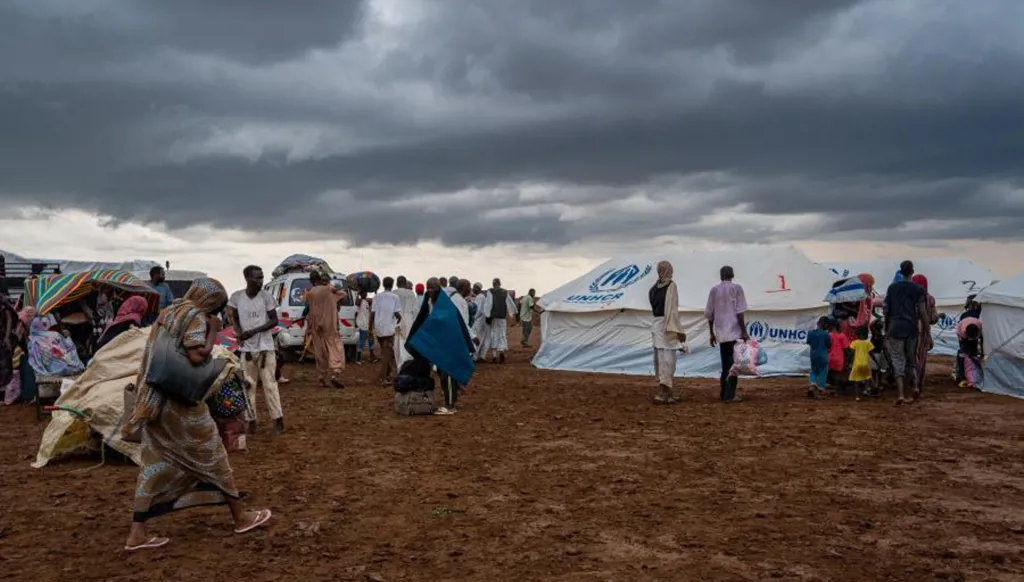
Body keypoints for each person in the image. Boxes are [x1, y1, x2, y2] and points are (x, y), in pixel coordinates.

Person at [122, 278, 271, 552]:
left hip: (155, 401)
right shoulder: (195, 316)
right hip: (180, 405)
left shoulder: (171, 310)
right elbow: (197, 356)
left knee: (153, 466)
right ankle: (241, 517)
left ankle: (137, 533)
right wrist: (213, 331)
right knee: (213, 455)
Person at [227, 266, 284, 435]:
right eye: (257, 278)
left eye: (261, 277)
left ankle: (278, 420)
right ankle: (251, 421)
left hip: (265, 347)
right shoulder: (237, 297)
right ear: (247, 278)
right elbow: (233, 316)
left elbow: (274, 320)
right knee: (248, 386)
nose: (260, 281)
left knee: (270, 385)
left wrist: (254, 331)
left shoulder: (266, 296)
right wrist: (238, 331)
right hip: (247, 350)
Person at [883, 260, 929, 405]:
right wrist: (926, 331)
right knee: (911, 360)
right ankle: (915, 387)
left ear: (901, 271)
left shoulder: (892, 288)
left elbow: (886, 310)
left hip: (895, 326)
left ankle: (901, 394)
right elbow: (922, 312)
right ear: (912, 271)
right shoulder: (918, 289)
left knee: (898, 359)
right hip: (911, 327)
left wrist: (887, 329)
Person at [705, 266, 748, 403]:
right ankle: (730, 395)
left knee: (725, 365)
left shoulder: (714, 290)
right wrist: (744, 331)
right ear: (733, 275)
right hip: (735, 333)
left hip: (721, 334)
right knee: (734, 365)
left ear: (721, 275)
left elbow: (709, 314)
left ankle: (724, 393)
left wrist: (712, 333)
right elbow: (740, 314)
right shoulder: (737, 288)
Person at [436, 279, 478, 416]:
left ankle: (451, 400)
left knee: (448, 372)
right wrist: (472, 336)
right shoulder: (457, 300)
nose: (470, 290)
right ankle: (450, 403)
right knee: (447, 372)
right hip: (452, 339)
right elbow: (461, 322)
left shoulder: (457, 299)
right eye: (469, 287)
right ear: (463, 288)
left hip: (453, 339)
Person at [649, 261, 686, 404]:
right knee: (668, 360)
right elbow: (672, 311)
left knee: (661, 359)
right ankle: (666, 394)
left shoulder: (652, 289)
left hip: (656, 326)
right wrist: (678, 330)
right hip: (667, 325)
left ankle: (667, 392)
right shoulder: (671, 286)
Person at [305, 271, 348, 389]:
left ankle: (321, 378)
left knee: (320, 353)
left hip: (316, 327)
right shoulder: (329, 290)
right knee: (335, 349)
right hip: (329, 326)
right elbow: (343, 294)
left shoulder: (310, 293)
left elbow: (308, 310)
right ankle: (335, 373)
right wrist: (331, 287)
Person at [911, 274, 940, 393]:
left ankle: (911, 383)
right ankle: (919, 384)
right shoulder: (930, 299)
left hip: (909, 330)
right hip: (924, 331)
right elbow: (933, 319)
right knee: (922, 357)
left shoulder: (909, 297)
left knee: (910, 356)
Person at [370, 277, 402, 386]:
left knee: (387, 353)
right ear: (392, 285)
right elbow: (397, 314)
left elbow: (373, 313)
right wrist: (400, 322)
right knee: (386, 354)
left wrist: (370, 328)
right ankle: (382, 378)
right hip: (389, 329)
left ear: (383, 285)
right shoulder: (395, 297)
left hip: (379, 329)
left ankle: (390, 375)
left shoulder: (377, 297)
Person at [483, 278, 518, 364]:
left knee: (493, 335)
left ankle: (494, 357)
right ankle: (501, 353)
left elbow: (489, 304)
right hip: (502, 318)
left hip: (494, 317)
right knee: (501, 335)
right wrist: (513, 314)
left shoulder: (490, 292)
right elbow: (510, 304)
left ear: (493, 284)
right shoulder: (505, 292)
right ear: (500, 283)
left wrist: (487, 316)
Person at [394, 276, 419, 369]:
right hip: (409, 323)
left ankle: (399, 367)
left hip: (397, 323)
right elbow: (415, 311)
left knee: (397, 346)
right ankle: (407, 368)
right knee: (407, 345)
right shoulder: (411, 294)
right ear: (405, 283)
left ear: (397, 283)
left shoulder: (394, 293)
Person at [806, 317, 831, 399]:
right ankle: (820, 388)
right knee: (823, 371)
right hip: (823, 355)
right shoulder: (826, 334)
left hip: (813, 355)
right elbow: (829, 345)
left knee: (813, 371)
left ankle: (812, 384)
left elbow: (808, 342)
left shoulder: (810, 333)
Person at [956, 317, 984, 390]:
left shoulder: (980, 326)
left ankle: (975, 373)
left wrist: (981, 352)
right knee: (963, 356)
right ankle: (961, 376)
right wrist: (967, 353)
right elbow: (963, 344)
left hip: (973, 326)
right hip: (962, 330)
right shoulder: (962, 331)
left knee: (973, 352)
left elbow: (981, 340)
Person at [849, 327, 873, 401]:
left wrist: (847, 360)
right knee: (868, 377)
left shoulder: (854, 343)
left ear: (857, 335)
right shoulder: (868, 343)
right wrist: (877, 363)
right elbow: (871, 353)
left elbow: (851, 353)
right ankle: (865, 389)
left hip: (857, 364)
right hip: (866, 363)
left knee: (857, 381)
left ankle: (857, 396)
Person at [354, 289, 377, 365]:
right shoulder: (360, 301)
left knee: (370, 340)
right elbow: (357, 301)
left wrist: (375, 292)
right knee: (362, 341)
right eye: (364, 293)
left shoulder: (367, 302)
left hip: (366, 324)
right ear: (361, 294)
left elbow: (374, 300)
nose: (365, 294)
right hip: (362, 325)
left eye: (366, 293)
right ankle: (358, 359)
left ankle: (372, 357)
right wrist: (358, 293)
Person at [828, 319, 851, 392]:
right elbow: (847, 349)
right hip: (839, 358)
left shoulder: (829, 335)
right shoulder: (842, 336)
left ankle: (834, 387)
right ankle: (837, 389)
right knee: (839, 375)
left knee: (832, 374)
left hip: (830, 358)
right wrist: (848, 359)